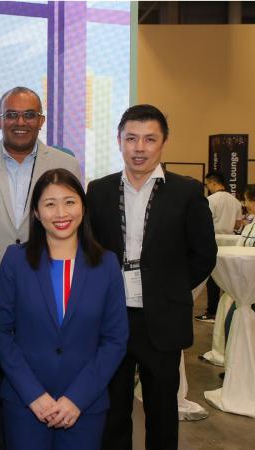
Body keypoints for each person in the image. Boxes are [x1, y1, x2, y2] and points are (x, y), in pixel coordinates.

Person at [0, 86, 81, 449]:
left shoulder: (66, 164)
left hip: (45, 300)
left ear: (41, 120)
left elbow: (74, 226)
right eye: (11, 115)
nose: (20, 122)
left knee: (34, 386)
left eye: (29, 115)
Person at [87, 104, 216, 450]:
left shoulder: (186, 192)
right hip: (111, 318)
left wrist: (169, 290)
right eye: (131, 138)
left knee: (162, 412)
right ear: (119, 140)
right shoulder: (98, 191)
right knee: (113, 411)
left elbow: (204, 254)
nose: (139, 148)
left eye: (149, 139)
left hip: (162, 319)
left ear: (163, 142)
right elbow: (89, 250)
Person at [0, 168, 128, 450]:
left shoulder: (106, 264)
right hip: (25, 405)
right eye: (50, 204)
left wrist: (77, 398)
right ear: (36, 212)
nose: (61, 213)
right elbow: (0, 332)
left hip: (84, 408)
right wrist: (34, 395)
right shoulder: (15, 261)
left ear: (83, 206)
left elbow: (115, 340)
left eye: (69, 202)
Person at [195, 171, 242, 322]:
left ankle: (212, 312)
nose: (207, 187)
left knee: (213, 279)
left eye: (208, 184)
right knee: (229, 278)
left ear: (213, 183)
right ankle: (227, 311)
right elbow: (238, 224)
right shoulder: (235, 201)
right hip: (231, 242)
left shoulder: (210, 200)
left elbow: (204, 222)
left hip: (213, 241)